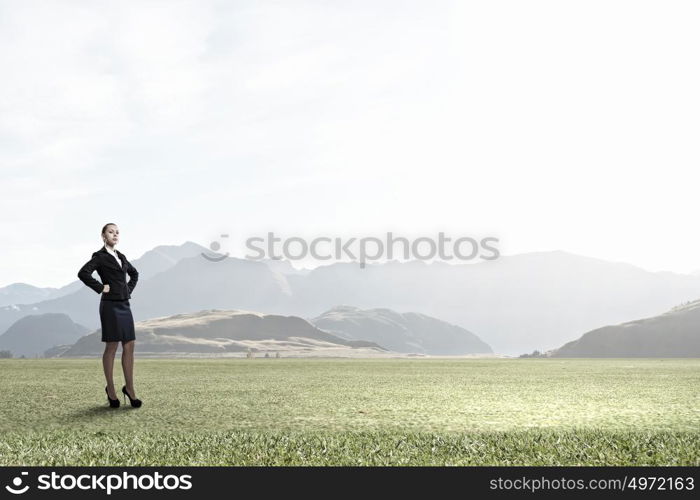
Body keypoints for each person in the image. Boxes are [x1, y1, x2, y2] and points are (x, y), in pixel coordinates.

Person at [77, 223, 142, 408]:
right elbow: (83, 273)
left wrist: (126, 289)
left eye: (117, 232)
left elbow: (134, 274)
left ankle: (129, 389)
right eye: (111, 232)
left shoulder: (121, 256)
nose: (115, 235)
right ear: (103, 236)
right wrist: (100, 287)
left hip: (124, 304)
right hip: (110, 306)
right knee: (112, 346)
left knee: (129, 345)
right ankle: (111, 390)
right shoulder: (100, 256)